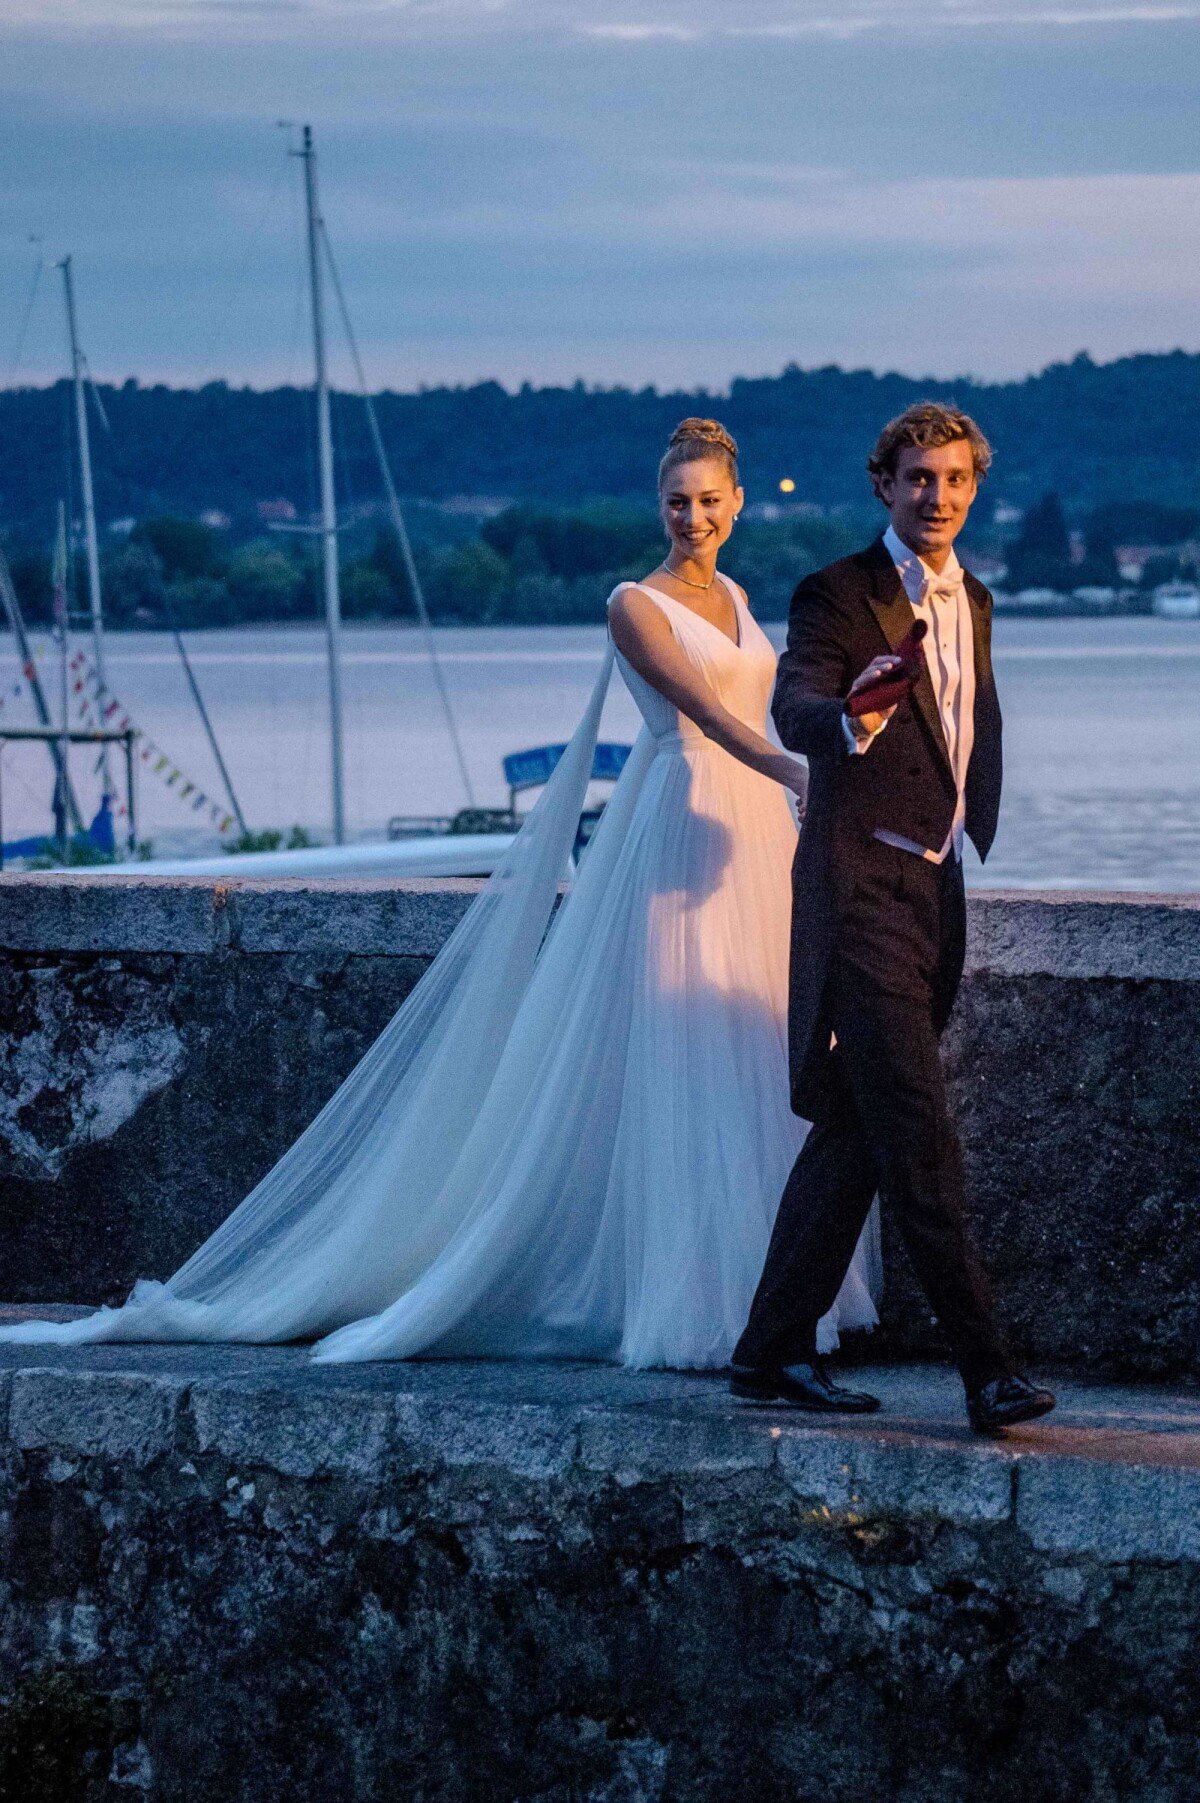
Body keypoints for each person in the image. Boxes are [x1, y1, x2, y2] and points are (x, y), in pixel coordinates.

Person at [0, 418, 879, 1371]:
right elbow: (710, 717)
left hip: (748, 838)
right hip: (685, 809)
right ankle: (697, 1301)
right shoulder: (635, 604)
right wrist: (801, 770)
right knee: (688, 1053)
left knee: (757, 1040)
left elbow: (771, 697)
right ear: (656, 504)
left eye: (711, 501)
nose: (694, 517)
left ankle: (784, 1293)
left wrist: (835, 741)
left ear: (738, 503)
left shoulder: (744, 597)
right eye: (677, 501)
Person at [730, 401, 1056, 1434]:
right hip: (859, 887)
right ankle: (987, 1369)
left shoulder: (981, 599)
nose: (939, 498)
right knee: (918, 1130)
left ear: (973, 488)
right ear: (885, 484)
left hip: (936, 889)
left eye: (956, 480)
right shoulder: (837, 593)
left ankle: (769, 1352)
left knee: (860, 1130)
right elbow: (794, 709)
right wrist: (856, 713)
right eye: (920, 479)